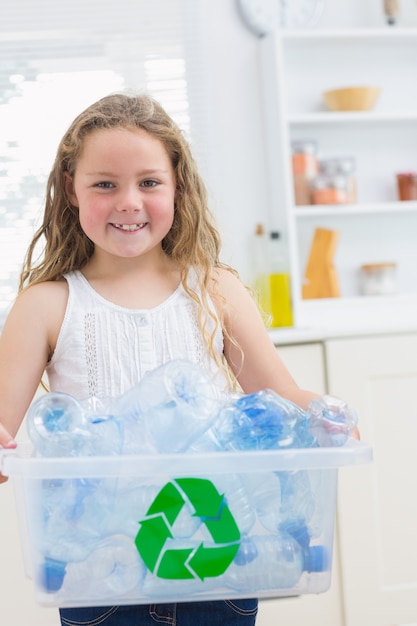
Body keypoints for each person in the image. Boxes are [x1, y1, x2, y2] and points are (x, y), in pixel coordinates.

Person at [0, 93, 358, 626]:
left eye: (149, 182)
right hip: (102, 578)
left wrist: (328, 416)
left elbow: (280, 394)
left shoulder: (215, 289)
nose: (128, 202)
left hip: (219, 562)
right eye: (105, 184)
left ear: (177, 189)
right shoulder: (48, 304)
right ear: (71, 192)